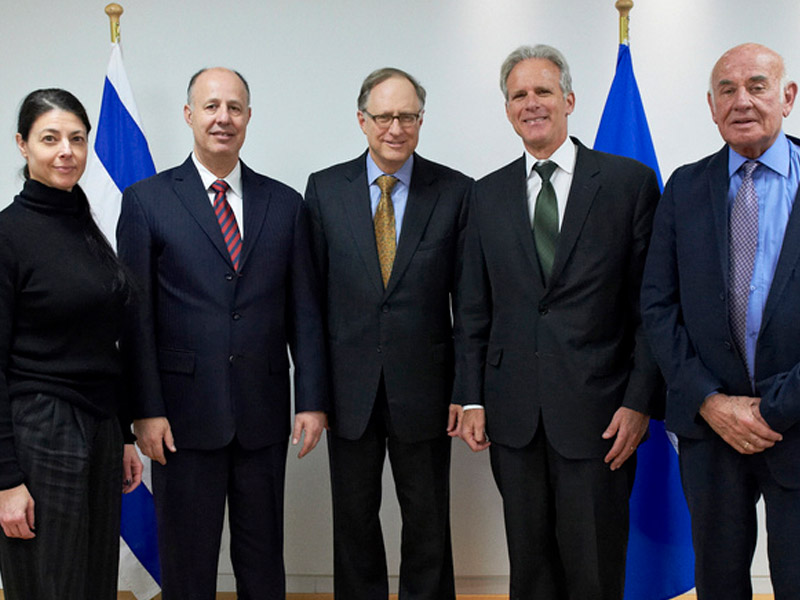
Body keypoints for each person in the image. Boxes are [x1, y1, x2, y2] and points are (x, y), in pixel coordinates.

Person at [452, 45, 663, 599]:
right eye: (518, 95)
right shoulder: (485, 194)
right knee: (530, 569)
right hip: (513, 417)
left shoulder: (627, 184)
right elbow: (474, 309)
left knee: (594, 569)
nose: (531, 104)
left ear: (569, 99)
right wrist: (470, 396)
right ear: (507, 110)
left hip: (601, 416)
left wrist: (640, 401)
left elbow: (652, 307)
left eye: (543, 91)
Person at [117, 67, 327, 600]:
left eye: (234, 107)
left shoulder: (285, 204)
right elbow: (135, 318)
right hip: (180, 419)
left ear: (249, 118)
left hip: (261, 411)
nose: (223, 118)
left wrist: (312, 401)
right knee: (188, 563)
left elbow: (304, 310)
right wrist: (144, 409)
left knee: (262, 559)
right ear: (189, 116)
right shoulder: (147, 200)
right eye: (210, 107)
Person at [304, 67, 471, 599]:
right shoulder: (324, 189)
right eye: (383, 116)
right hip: (348, 388)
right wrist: (314, 394)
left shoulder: (456, 191)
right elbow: (310, 304)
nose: (395, 127)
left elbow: (469, 305)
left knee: (427, 522)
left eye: (407, 116)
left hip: (425, 387)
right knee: (354, 522)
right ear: (362, 120)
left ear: (421, 120)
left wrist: (465, 392)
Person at [641, 43, 800, 599]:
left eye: (756, 86)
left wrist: (777, 407)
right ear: (711, 107)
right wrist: (711, 401)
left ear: (788, 96)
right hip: (710, 430)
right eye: (727, 91)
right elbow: (657, 306)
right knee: (718, 582)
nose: (742, 101)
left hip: (799, 421)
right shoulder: (684, 187)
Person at [0, 88, 142, 599]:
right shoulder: (8, 234)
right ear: (22, 145)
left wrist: (123, 434)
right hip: (41, 428)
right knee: (50, 584)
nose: (66, 150)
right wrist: (6, 482)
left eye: (77, 139)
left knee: (94, 580)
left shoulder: (86, 226)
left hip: (100, 426)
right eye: (50, 138)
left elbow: (106, 343)